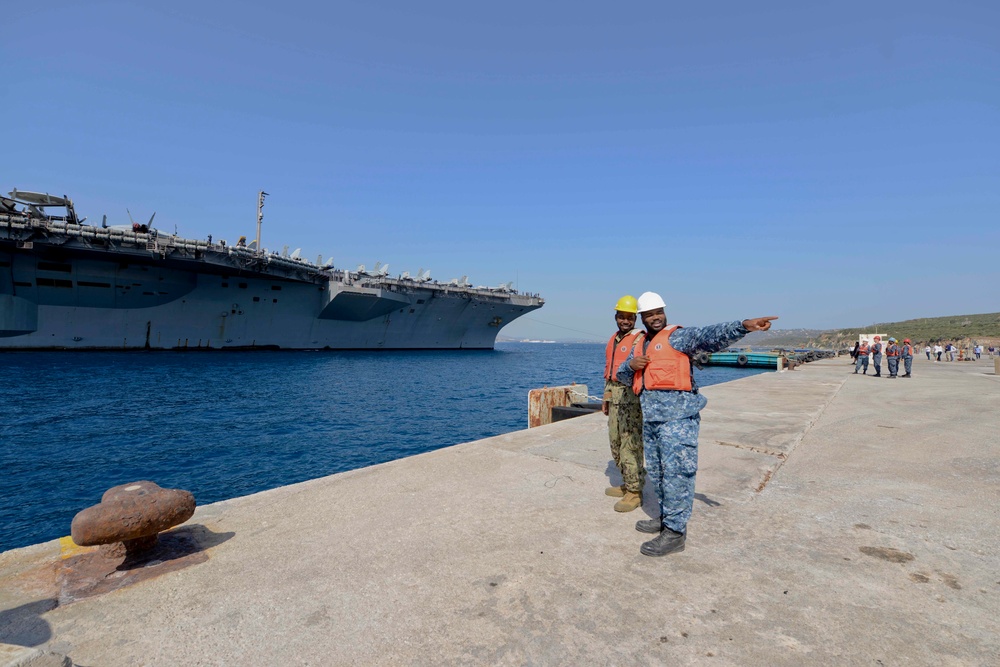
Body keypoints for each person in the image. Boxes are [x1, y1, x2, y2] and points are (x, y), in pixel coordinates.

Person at [615, 291, 777, 557]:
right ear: (641, 318)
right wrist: (631, 365)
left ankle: (675, 533)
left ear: (664, 312)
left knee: (678, 474)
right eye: (649, 315)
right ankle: (666, 518)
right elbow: (622, 375)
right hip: (652, 419)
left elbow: (710, 335)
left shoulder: (679, 337)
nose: (655, 318)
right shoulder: (640, 344)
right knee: (658, 474)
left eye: (658, 312)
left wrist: (744, 325)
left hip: (678, 420)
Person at [601, 295, 646, 513]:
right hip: (615, 395)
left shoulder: (641, 339)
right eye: (621, 316)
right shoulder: (614, 339)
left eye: (629, 317)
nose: (625, 321)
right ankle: (628, 482)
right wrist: (606, 397)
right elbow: (610, 372)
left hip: (631, 398)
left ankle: (635, 492)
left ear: (635, 318)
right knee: (615, 443)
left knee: (630, 445)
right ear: (616, 317)